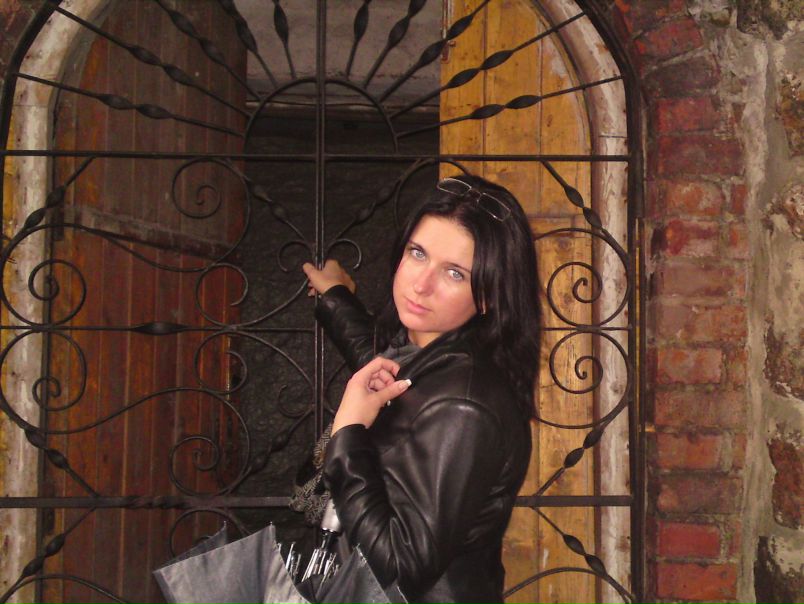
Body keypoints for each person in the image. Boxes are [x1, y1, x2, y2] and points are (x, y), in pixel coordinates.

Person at [301, 174, 541, 604]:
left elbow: (398, 570)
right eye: (417, 253)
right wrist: (335, 297)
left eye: (454, 273)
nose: (420, 284)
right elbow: (390, 370)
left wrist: (348, 433)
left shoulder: (464, 406)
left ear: (488, 295)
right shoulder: (433, 356)